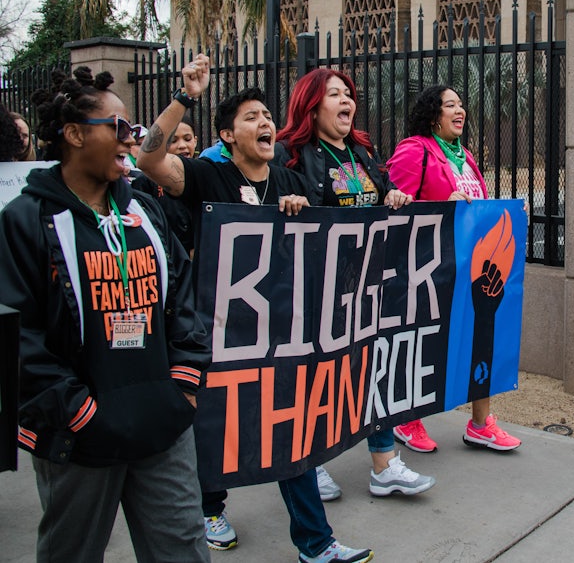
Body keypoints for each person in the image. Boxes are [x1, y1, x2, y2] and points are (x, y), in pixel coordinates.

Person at [136, 53, 373, 563]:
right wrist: (185, 97)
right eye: (251, 118)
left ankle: (316, 543)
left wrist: (302, 214)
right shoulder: (205, 175)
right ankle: (209, 506)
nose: (265, 122)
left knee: (288, 430)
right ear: (228, 136)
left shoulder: (288, 181)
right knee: (212, 422)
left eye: (267, 115)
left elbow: (318, 246)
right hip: (214, 332)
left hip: (275, 332)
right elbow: (148, 160)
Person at [0, 67, 212, 562]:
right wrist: (78, 412)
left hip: (162, 427)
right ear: (74, 135)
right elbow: (17, 336)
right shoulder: (26, 220)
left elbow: (182, 300)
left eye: (134, 129)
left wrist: (181, 387)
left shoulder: (144, 212)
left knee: (183, 548)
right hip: (79, 440)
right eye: (118, 128)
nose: (131, 139)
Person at [274, 68, 436, 497]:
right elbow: (268, 208)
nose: (346, 101)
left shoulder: (361, 151)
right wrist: (286, 204)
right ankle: (314, 463)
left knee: (372, 371)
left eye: (349, 94)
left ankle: (385, 465)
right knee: (318, 377)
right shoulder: (289, 153)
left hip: (366, 287)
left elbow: (382, 196)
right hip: (315, 290)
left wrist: (393, 196)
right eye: (334, 94)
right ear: (311, 104)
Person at [386, 85, 522, 453]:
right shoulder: (415, 149)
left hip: (470, 268)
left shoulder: (465, 155)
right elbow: (392, 207)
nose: (459, 111)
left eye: (461, 105)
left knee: (481, 337)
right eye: (450, 106)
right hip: (427, 268)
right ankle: (406, 418)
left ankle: (481, 424)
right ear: (433, 115)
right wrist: (441, 204)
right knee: (425, 342)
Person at [131, 113, 197, 254]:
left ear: (195, 141)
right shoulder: (145, 182)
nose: (182, 146)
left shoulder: (204, 176)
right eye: (173, 141)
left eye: (187, 139)